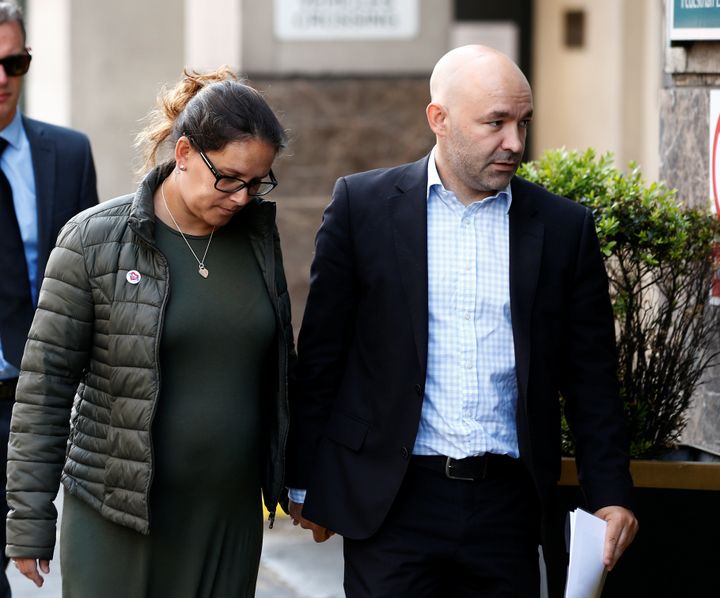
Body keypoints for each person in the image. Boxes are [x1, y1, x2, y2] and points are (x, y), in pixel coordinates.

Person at [287, 45, 638, 597]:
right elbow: (323, 357)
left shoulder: (563, 228)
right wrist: (305, 481)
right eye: (495, 123)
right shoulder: (363, 207)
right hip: (393, 501)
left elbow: (592, 379)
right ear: (439, 119)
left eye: (522, 123)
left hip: (510, 508)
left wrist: (611, 494)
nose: (515, 143)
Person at [5, 66, 294, 598]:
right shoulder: (93, 240)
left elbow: (278, 373)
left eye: (257, 183)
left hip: (227, 520)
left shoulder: (256, 240)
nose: (242, 198)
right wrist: (28, 519)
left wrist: (293, 475)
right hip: (120, 518)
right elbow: (43, 390)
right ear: (183, 153)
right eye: (228, 178)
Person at [0, 2, 98, 596]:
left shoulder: (67, 154)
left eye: (14, 61)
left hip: (39, 402)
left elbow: (89, 283)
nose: (1, 77)